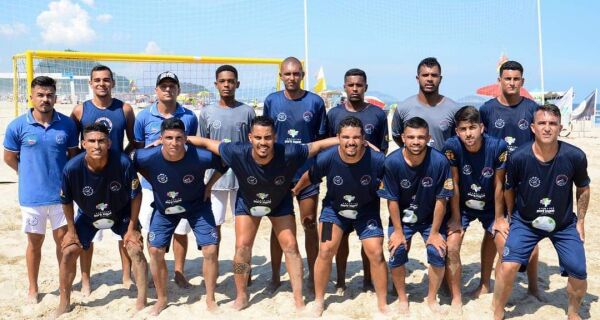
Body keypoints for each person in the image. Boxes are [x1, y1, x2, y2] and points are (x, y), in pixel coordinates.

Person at [187, 115, 338, 311]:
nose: (263, 142)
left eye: (267, 137)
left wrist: (351, 140)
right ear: (250, 137)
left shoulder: (290, 152)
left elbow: (317, 146)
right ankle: (241, 295)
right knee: (242, 248)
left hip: (279, 202)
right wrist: (178, 138)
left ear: (274, 137)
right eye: (258, 138)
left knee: (291, 246)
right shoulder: (236, 151)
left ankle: (298, 297)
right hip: (248, 203)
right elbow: (206, 143)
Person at [492, 104, 590, 320]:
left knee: (579, 273)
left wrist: (580, 221)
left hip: (563, 224)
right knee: (508, 267)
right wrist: (510, 216)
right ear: (533, 127)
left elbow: (583, 188)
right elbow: (509, 189)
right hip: (525, 222)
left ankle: (573, 313)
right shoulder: (518, 157)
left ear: (560, 127)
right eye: (542, 123)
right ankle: (497, 310)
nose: (547, 128)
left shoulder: (575, 156)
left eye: (552, 123)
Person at [293, 116, 389, 316]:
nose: (351, 142)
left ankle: (382, 302)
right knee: (326, 249)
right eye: (345, 137)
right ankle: (319, 300)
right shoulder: (327, 157)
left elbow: (393, 184)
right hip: (334, 211)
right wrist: (294, 191)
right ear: (338, 138)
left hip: (366, 210)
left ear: (364, 139)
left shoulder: (378, 160)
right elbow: (309, 177)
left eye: (356, 137)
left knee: (376, 252)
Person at [133, 118, 225, 315]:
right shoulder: (148, 156)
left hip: (197, 206)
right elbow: (132, 162)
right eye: (168, 138)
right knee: (155, 250)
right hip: (165, 209)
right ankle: (162, 299)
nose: (173, 143)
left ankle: (210, 298)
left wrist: (209, 185)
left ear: (185, 138)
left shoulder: (200, 156)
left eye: (178, 138)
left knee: (210, 249)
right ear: (161, 138)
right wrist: (151, 180)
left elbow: (224, 162)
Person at [56, 123, 147, 317]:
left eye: (101, 141)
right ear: (83, 143)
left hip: (120, 212)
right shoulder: (72, 168)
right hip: (89, 215)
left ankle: (142, 299)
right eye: (91, 141)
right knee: (68, 252)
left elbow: (136, 195)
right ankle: (64, 302)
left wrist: (132, 228)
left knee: (135, 248)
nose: (97, 145)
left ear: (109, 143)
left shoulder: (122, 162)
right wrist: (71, 231)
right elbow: (66, 201)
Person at [3, 76, 79, 303]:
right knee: (34, 244)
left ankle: (63, 285)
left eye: (49, 95)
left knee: (63, 244)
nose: (45, 99)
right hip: (32, 198)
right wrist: (26, 174)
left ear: (55, 97)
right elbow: (9, 158)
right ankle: (33, 288)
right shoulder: (17, 125)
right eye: (40, 95)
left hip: (61, 197)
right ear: (32, 97)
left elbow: (73, 158)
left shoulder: (67, 124)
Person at [70, 64, 137, 294]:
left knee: (124, 228)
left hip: (117, 180)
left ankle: (126, 276)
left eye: (106, 80)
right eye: (97, 80)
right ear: (90, 83)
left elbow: (134, 141)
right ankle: (86, 280)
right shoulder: (80, 110)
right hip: (90, 180)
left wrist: (120, 161)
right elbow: (74, 146)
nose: (102, 84)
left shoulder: (125, 109)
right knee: (86, 231)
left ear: (112, 83)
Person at [263, 56, 327, 291]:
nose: (292, 78)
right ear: (281, 76)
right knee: (278, 227)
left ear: (302, 75)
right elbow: (265, 137)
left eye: (296, 73)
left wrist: (314, 171)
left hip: (307, 174)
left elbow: (321, 142)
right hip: (278, 174)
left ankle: (312, 275)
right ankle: (275, 276)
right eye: (287, 74)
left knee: (309, 223)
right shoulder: (272, 100)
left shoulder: (315, 102)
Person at [378, 117, 453, 314]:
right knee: (397, 251)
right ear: (402, 137)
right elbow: (391, 200)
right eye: (411, 137)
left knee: (437, 253)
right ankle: (403, 297)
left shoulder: (439, 161)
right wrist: (399, 232)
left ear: (428, 138)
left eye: (421, 137)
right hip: (402, 218)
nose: (416, 141)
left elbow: (441, 200)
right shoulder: (392, 162)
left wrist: (435, 232)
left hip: (430, 219)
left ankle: (431, 298)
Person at [477, 60, 540, 297]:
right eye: (507, 78)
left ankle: (533, 287)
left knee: (532, 233)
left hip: (526, 181)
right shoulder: (487, 109)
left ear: (522, 82)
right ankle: (484, 283)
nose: (512, 83)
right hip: (494, 181)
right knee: (491, 230)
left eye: (516, 79)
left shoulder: (532, 109)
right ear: (499, 81)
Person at [324, 68, 389, 292]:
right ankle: (341, 280)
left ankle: (368, 280)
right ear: (344, 87)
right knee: (339, 238)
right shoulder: (333, 114)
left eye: (359, 85)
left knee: (369, 238)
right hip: (338, 184)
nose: (354, 89)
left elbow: (382, 149)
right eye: (350, 85)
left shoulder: (378, 114)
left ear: (365, 87)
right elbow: (325, 147)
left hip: (367, 186)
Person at [133, 71, 199, 288]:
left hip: (182, 184)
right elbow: (139, 152)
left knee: (181, 229)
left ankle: (179, 272)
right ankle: (154, 273)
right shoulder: (143, 116)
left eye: (172, 86)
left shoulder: (189, 116)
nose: (168, 89)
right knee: (150, 229)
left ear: (178, 90)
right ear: (156, 90)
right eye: (163, 86)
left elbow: (191, 149)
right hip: (150, 185)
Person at [441, 106, 508, 312]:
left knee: (505, 245)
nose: (468, 133)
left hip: (490, 205)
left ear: (482, 127)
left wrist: (498, 218)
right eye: (463, 129)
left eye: (472, 127)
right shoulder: (452, 146)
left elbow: (499, 185)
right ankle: (456, 296)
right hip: (462, 206)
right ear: (457, 131)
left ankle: (490, 290)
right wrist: (454, 217)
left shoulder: (498, 146)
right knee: (451, 246)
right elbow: (454, 183)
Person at [198, 65, 255, 256]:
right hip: (215, 181)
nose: (227, 85)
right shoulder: (207, 112)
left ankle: (243, 270)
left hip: (242, 180)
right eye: (222, 81)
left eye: (231, 81)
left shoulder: (248, 112)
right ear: (216, 84)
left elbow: (253, 145)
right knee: (214, 227)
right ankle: (214, 266)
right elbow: (202, 146)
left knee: (243, 229)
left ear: (237, 84)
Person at [391, 57, 460, 150]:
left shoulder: (454, 109)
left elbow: (458, 140)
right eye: (425, 75)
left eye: (434, 75)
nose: (430, 79)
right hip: (413, 164)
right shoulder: (403, 108)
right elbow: (397, 136)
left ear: (440, 79)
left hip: (443, 164)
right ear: (417, 78)